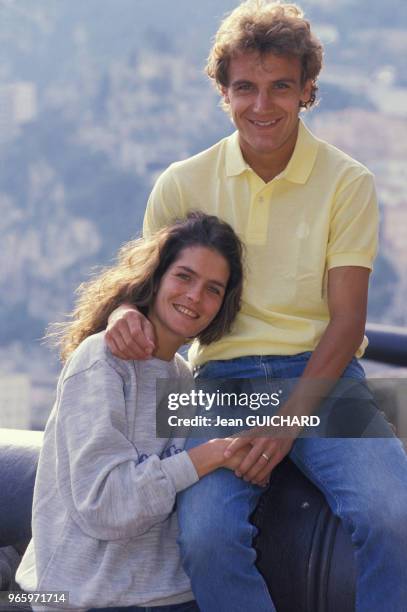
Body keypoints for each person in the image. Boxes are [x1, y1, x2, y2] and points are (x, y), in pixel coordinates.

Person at [104, 2, 407, 612]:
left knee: (395, 517)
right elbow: (138, 297)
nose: (262, 106)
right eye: (245, 88)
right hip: (216, 381)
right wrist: (120, 319)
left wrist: (287, 420)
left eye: (280, 88)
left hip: (324, 378)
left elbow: (347, 322)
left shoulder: (348, 182)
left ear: (307, 92)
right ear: (222, 91)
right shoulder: (181, 184)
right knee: (205, 537)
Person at [16, 212, 253, 611]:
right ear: (155, 277)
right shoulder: (101, 361)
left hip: (170, 595)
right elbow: (107, 505)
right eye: (184, 276)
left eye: (213, 289)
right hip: (86, 598)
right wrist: (205, 458)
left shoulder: (183, 379)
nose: (195, 296)